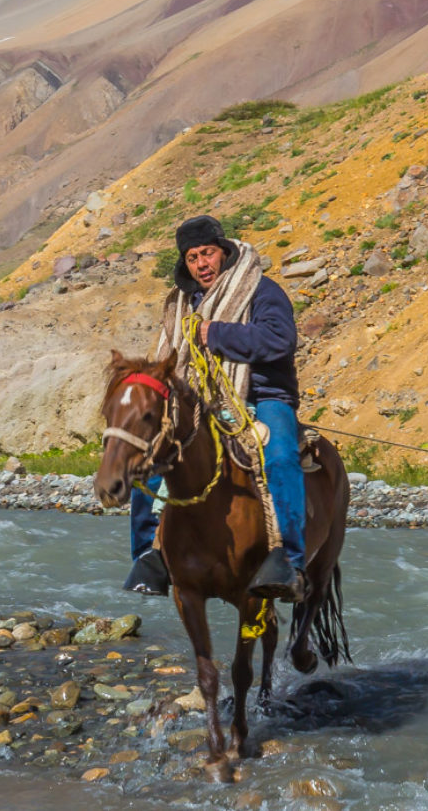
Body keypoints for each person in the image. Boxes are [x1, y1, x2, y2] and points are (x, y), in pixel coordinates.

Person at [123, 214, 307, 601]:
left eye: (207, 253)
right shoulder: (181, 303)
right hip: (201, 401)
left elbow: (280, 339)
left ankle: (290, 560)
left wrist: (216, 333)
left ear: (223, 252)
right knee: (149, 462)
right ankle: (148, 556)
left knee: (280, 457)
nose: (201, 264)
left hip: (264, 395)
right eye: (192, 258)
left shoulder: (260, 290)